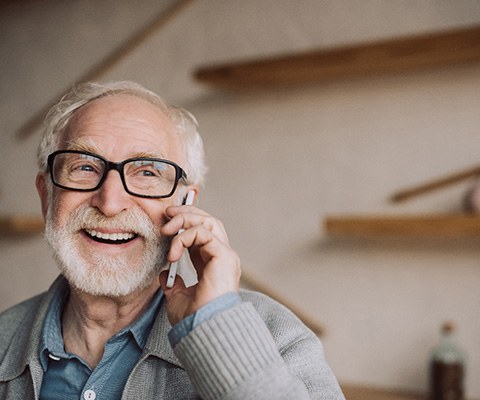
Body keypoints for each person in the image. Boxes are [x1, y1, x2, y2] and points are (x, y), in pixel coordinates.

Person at [0, 81, 345, 399]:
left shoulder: (278, 338)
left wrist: (218, 332)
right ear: (47, 198)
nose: (110, 202)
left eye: (147, 172)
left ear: (186, 204)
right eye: (85, 167)